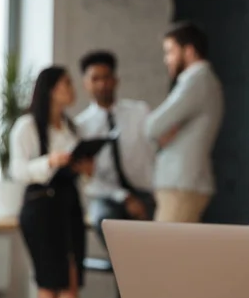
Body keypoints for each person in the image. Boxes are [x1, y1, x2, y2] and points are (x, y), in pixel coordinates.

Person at [10, 66, 94, 298]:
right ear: (51, 90)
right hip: (41, 208)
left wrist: (85, 170)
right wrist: (50, 161)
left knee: (71, 279)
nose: (72, 88)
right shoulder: (27, 126)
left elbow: (82, 176)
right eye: (66, 83)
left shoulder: (72, 128)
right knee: (49, 281)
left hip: (69, 206)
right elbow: (17, 171)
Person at [75, 51, 176, 245]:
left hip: (146, 192)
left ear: (115, 80)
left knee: (161, 235)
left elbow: (160, 148)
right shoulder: (81, 127)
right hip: (107, 196)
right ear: (85, 83)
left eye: (106, 78)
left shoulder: (139, 111)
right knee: (106, 222)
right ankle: (123, 273)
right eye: (95, 79)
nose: (102, 84)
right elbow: (90, 180)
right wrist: (125, 197)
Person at [144, 22, 224, 223]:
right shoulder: (201, 81)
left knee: (163, 252)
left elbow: (152, 127)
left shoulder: (196, 80)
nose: (166, 59)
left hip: (181, 185)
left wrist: (167, 129)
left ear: (188, 51)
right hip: (184, 183)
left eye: (170, 51)